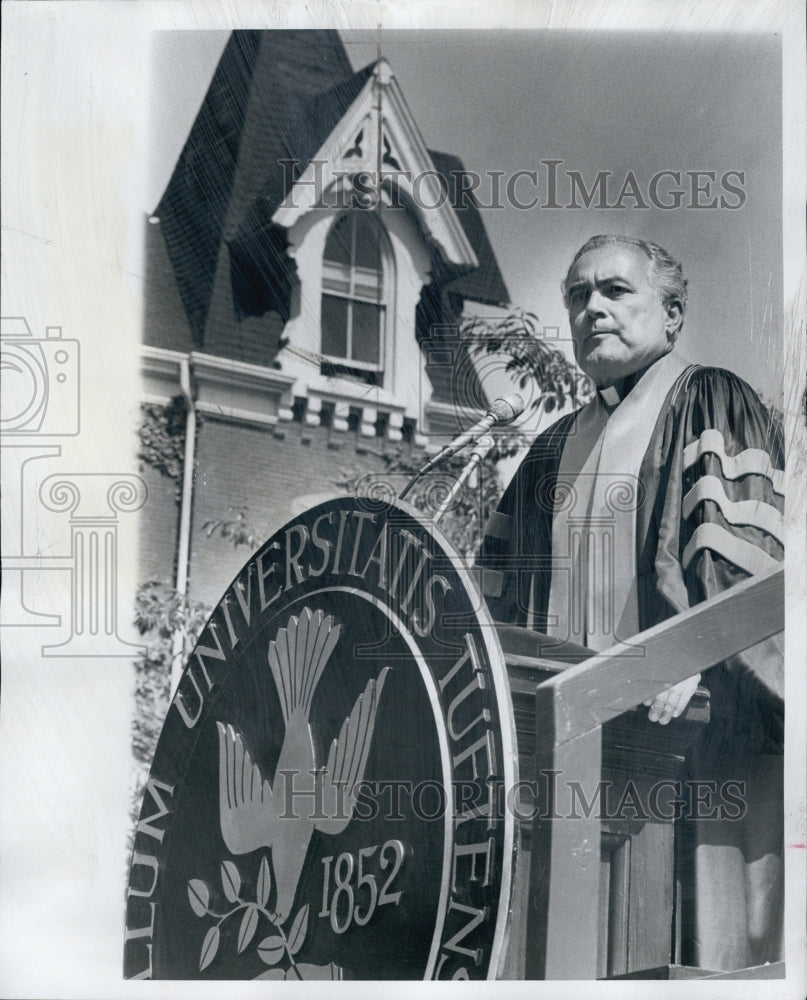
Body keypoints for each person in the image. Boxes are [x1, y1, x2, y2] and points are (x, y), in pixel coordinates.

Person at [478, 234, 784, 971]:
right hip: (566, 754)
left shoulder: (708, 399)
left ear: (672, 314)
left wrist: (689, 662)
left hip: (691, 735)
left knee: (682, 951)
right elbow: (498, 607)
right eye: (577, 295)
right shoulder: (548, 452)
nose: (592, 308)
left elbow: (745, 571)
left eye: (615, 291)